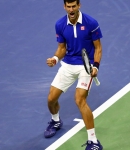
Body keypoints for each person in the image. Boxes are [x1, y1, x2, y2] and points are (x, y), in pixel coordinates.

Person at [44, 0, 103, 149]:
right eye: (68, 6)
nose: (71, 9)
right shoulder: (60, 24)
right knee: (51, 99)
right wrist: (55, 58)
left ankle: (94, 142)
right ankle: (56, 121)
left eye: (73, 6)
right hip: (68, 65)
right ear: (65, 7)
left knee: (79, 99)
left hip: (86, 65)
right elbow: (62, 48)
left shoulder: (91, 23)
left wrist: (95, 67)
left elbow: (98, 48)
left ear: (79, 6)